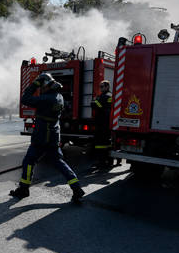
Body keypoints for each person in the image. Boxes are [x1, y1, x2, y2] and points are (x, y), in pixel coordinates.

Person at [10, 72, 85, 202]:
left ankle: (23, 189)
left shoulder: (45, 99)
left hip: (41, 136)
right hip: (54, 135)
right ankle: (77, 187)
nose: (41, 89)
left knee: (29, 161)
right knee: (59, 162)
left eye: (42, 87)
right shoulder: (59, 97)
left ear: (46, 86)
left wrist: (34, 84)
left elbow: (25, 99)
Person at [91, 80, 120, 168]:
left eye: (102, 86)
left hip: (103, 124)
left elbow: (99, 106)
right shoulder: (103, 96)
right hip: (102, 123)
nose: (101, 88)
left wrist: (95, 102)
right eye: (100, 86)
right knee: (104, 143)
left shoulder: (108, 96)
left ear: (107, 87)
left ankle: (103, 162)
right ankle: (106, 161)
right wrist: (95, 102)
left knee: (102, 143)